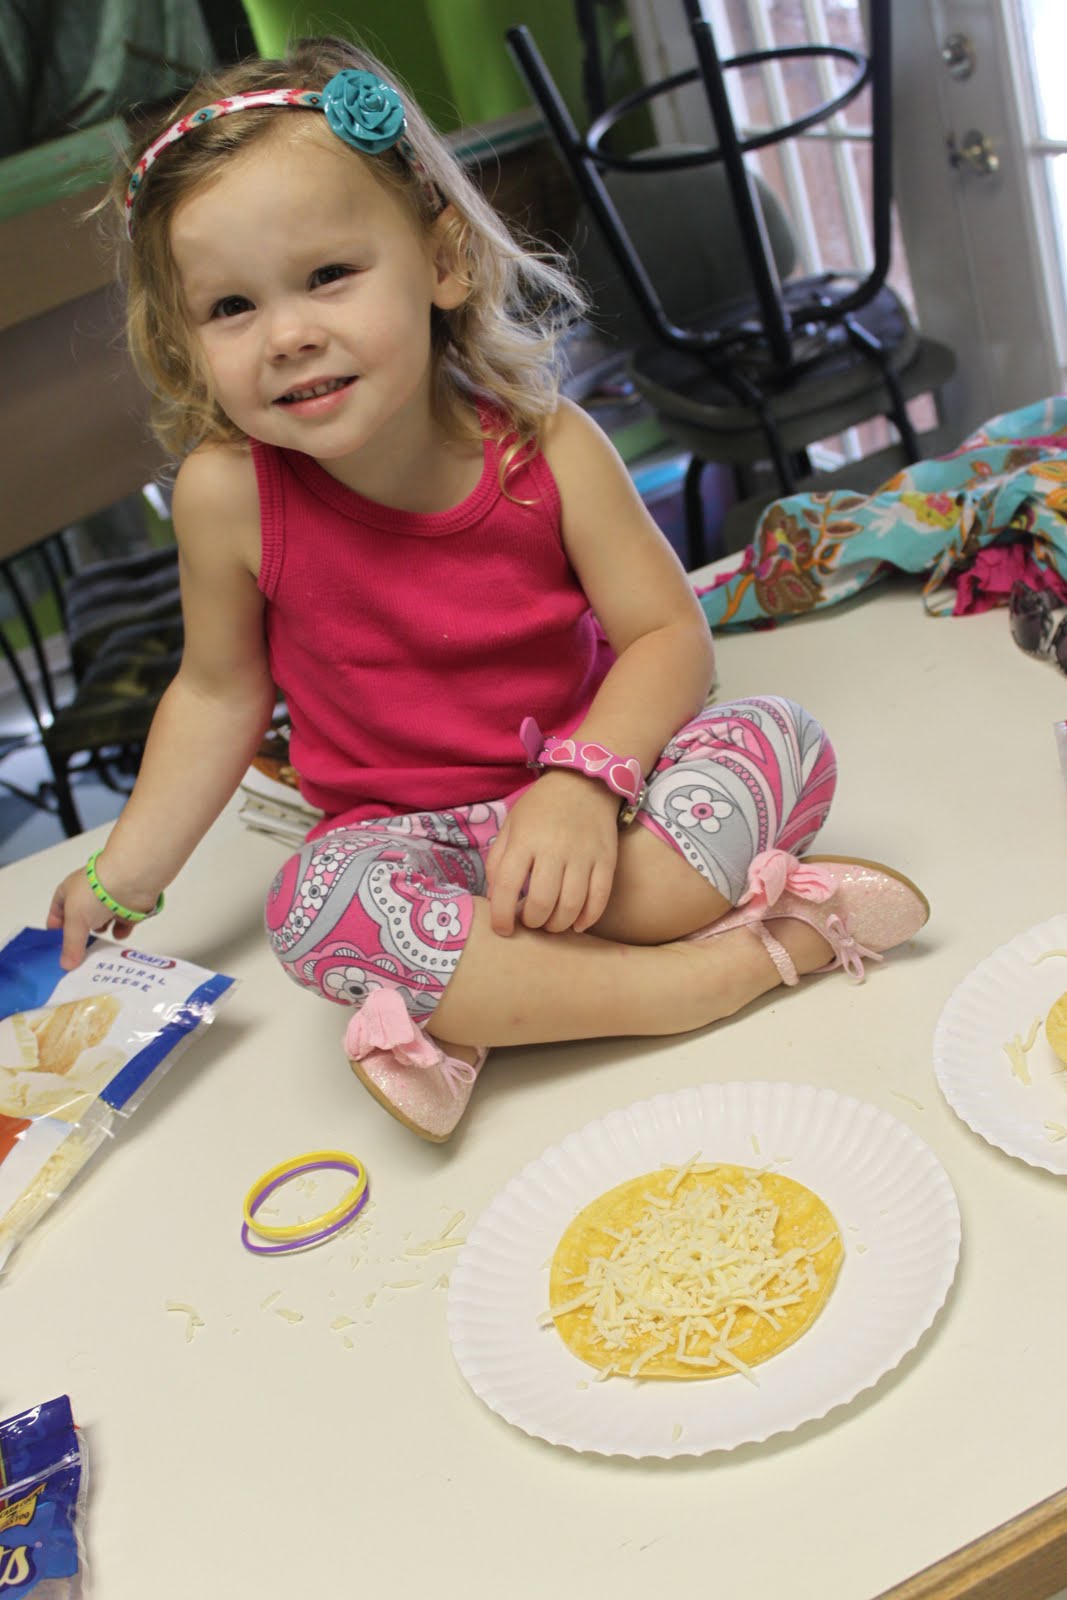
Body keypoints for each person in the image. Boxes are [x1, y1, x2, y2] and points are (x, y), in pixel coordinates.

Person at [46, 36, 929, 1141]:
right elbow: (219, 694)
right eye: (230, 307)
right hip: (407, 842)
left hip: (604, 809)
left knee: (780, 735)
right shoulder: (227, 496)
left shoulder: (548, 446)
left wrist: (582, 784)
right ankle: (715, 971)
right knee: (313, 910)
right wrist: (121, 878)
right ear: (185, 341)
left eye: (328, 275)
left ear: (442, 261)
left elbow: (668, 638)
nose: (288, 333)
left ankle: (492, 999)